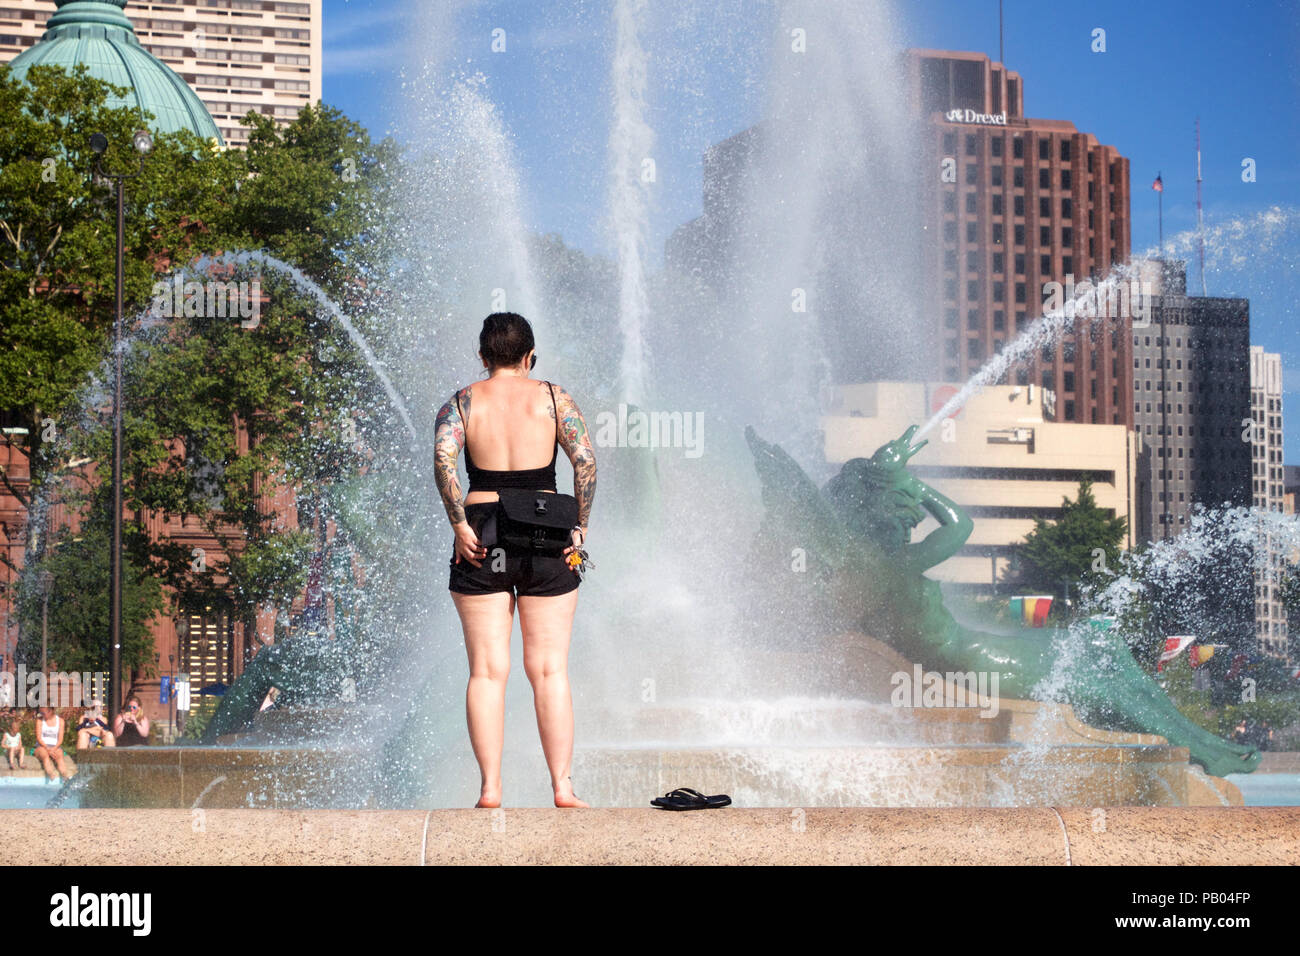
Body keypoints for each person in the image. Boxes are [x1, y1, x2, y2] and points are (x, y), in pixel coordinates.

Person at [434, 313, 596, 809]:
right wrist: (581, 526)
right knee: (549, 670)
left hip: (482, 531)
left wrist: (458, 523)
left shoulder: (462, 402)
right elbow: (585, 461)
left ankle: (489, 789)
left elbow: (443, 462)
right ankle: (563, 788)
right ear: (530, 357)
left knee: (487, 671)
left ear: (483, 357)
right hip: (547, 531)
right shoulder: (553, 397)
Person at [33, 707, 72, 782]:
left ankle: (65, 776)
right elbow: (39, 738)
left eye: (43, 713)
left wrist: (53, 749)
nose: (41, 715)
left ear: (51, 711)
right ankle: (50, 774)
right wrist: (47, 748)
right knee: (44, 755)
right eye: (40, 713)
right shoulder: (40, 720)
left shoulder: (60, 721)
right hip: (41, 745)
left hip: (55, 746)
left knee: (59, 756)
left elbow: (60, 739)